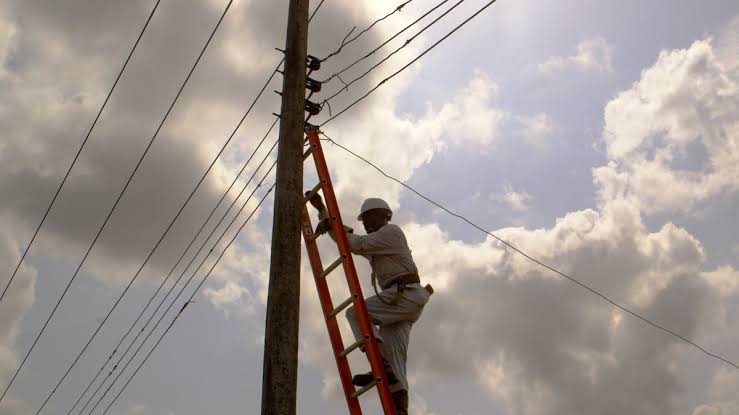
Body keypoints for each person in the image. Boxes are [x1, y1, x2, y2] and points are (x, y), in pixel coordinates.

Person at [308, 195, 432, 414]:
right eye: (363, 219)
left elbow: (355, 244)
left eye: (368, 217)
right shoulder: (380, 244)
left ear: (385, 215)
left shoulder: (391, 232)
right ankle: (398, 406)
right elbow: (352, 243)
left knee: (355, 313)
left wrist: (326, 215)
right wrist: (326, 217)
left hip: (404, 295)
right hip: (404, 300)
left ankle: (380, 366)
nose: (365, 222)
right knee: (396, 363)